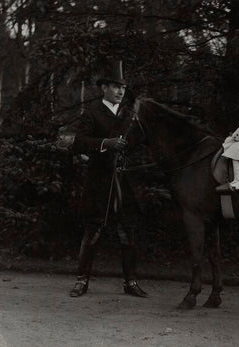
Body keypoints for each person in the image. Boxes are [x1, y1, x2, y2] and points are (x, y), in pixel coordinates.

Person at [69, 60, 148, 298]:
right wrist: (106, 143)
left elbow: (138, 144)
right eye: (115, 86)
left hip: (123, 183)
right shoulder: (92, 114)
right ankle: (82, 281)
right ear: (104, 88)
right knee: (93, 232)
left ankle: (130, 282)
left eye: (123, 87)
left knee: (127, 232)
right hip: (99, 181)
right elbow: (79, 143)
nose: (120, 91)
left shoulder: (129, 115)